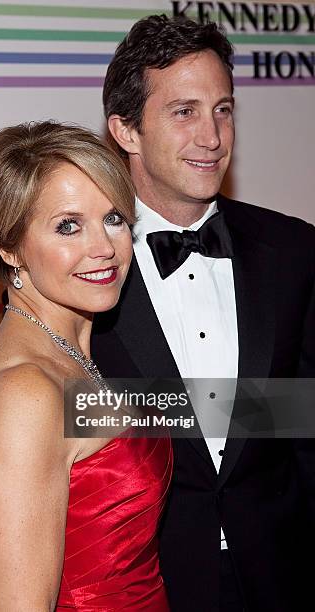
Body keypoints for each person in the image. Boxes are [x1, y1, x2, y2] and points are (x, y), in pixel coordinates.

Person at [91, 14, 315, 612]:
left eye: (223, 109)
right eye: (184, 111)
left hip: (283, 577)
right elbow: (61, 424)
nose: (213, 137)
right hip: (149, 588)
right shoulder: (79, 269)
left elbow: (306, 423)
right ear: (127, 130)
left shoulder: (294, 252)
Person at [0, 121, 173, 611]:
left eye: (114, 218)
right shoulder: (25, 394)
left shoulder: (71, 356)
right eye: (68, 226)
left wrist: (291, 409)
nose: (104, 248)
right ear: (9, 247)